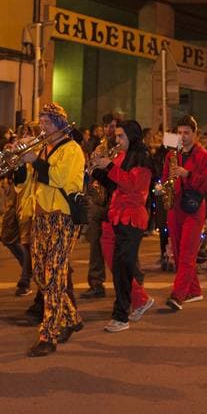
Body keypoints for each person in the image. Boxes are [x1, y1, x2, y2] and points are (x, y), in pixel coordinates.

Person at [15, 103, 85, 356]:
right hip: (41, 217)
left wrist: (35, 160)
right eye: (41, 121)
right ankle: (72, 316)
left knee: (54, 277)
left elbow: (61, 179)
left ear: (58, 124)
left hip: (62, 218)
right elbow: (27, 183)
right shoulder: (43, 147)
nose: (41, 126)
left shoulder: (72, 149)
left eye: (46, 122)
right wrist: (21, 164)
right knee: (42, 277)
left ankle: (49, 335)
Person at [91, 120, 155, 332]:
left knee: (123, 268)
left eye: (121, 137)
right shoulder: (121, 156)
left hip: (132, 217)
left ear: (132, 137)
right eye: (116, 136)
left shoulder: (142, 157)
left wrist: (108, 165)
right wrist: (96, 170)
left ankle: (121, 316)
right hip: (116, 215)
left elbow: (132, 184)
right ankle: (136, 303)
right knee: (120, 267)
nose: (117, 140)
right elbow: (113, 183)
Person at [163, 115, 207, 311]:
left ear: (195, 134)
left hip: (193, 207)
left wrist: (188, 175)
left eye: (187, 133)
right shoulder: (171, 155)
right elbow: (166, 177)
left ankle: (178, 295)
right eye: (180, 132)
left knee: (187, 252)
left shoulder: (204, 156)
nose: (182, 136)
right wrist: (163, 188)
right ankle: (194, 290)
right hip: (174, 206)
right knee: (177, 251)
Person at [82, 112, 118, 299]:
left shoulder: (123, 148)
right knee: (95, 243)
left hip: (115, 201)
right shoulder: (100, 147)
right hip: (98, 200)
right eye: (106, 127)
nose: (109, 130)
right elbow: (90, 170)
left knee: (120, 244)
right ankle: (96, 283)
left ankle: (131, 281)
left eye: (112, 126)